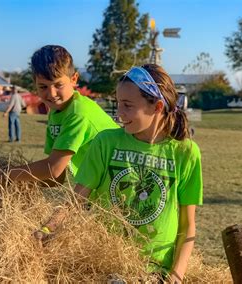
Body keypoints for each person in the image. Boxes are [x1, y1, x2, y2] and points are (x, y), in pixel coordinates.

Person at [35, 64, 203, 282]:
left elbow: (187, 225)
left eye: (127, 105)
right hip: (106, 265)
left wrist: (176, 277)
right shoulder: (106, 142)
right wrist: (48, 228)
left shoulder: (186, 153)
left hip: (154, 271)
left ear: (157, 106)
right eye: (118, 104)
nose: (119, 114)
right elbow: (75, 202)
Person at [0, 44, 119, 186]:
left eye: (58, 85)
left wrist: (4, 176)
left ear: (74, 79)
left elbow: (53, 169)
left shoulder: (78, 113)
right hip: (98, 190)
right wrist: (19, 185)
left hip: (119, 188)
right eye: (43, 87)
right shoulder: (56, 113)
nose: (51, 94)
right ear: (35, 84)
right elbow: (55, 179)